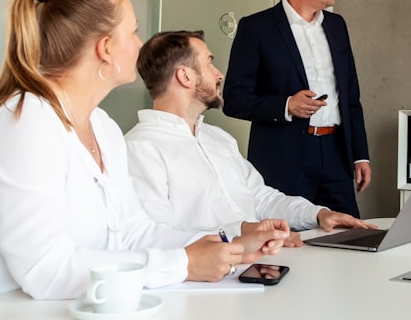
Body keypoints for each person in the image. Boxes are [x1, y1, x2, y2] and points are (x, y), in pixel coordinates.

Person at [0, 0, 286, 312]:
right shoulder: (22, 121)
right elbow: (47, 271)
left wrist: (228, 246)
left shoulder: (102, 127)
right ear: (105, 48)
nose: (140, 45)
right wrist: (183, 264)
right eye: (133, 32)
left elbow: (134, 232)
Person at [125, 30, 377, 245]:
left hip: (261, 263)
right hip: (210, 283)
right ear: (185, 76)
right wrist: (243, 234)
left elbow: (261, 198)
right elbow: (155, 237)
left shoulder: (218, 139)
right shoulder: (140, 148)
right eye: (209, 64)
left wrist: (319, 214)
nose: (219, 74)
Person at [222, 0, 370, 217]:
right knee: (283, 242)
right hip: (284, 158)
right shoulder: (256, 28)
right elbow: (233, 100)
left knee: (348, 234)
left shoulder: (337, 27)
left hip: (337, 154)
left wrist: (360, 154)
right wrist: (286, 105)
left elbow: (350, 97)